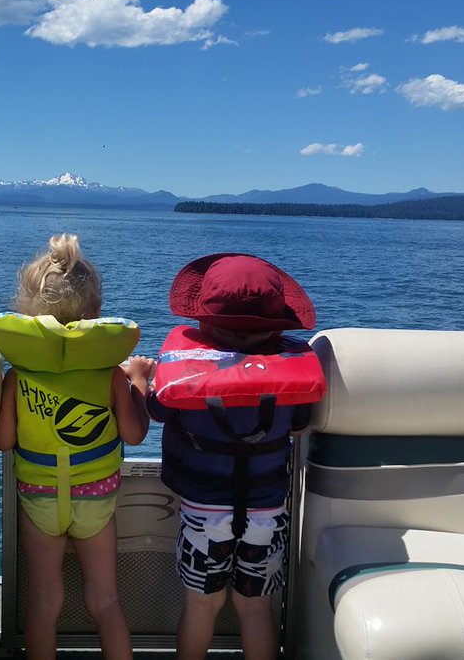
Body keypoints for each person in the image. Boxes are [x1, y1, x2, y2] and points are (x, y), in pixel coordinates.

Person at [149, 253, 325, 660]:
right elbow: (299, 424)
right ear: (276, 322)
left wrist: (141, 377)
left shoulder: (185, 371)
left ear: (205, 319)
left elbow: (157, 409)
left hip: (203, 512)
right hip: (266, 511)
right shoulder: (288, 377)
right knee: (256, 608)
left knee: (201, 607)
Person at [0, 233, 153, 660]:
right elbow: (134, 435)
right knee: (105, 600)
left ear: (30, 314)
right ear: (96, 314)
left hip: (41, 500)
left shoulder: (17, 376)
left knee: (44, 603)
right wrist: (139, 381)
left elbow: (3, 440)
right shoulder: (111, 375)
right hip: (95, 500)